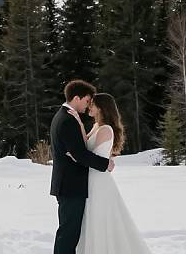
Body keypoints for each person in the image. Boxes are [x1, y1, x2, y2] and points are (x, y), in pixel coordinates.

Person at [68, 92, 152, 254]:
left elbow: (90, 155)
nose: (89, 107)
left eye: (92, 104)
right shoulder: (96, 126)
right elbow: (84, 145)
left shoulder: (106, 129)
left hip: (98, 182)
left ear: (101, 107)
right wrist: (78, 123)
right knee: (91, 221)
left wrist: (76, 155)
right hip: (90, 179)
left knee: (99, 219)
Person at [50, 80, 115, 254]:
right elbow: (80, 154)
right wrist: (105, 163)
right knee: (68, 234)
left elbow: (77, 152)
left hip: (69, 185)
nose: (88, 105)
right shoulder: (67, 120)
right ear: (77, 98)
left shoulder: (66, 116)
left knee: (70, 234)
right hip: (70, 186)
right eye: (87, 100)